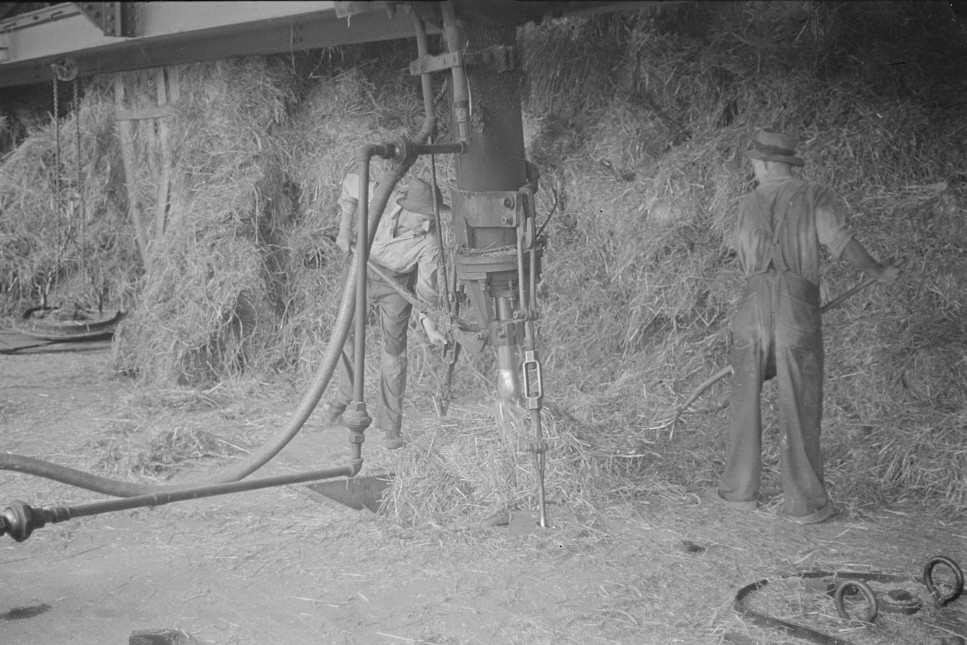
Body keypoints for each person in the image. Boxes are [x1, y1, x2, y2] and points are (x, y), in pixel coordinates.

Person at [712, 128, 899, 524]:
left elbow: (743, 255)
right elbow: (841, 242)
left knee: (744, 400)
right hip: (795, 305)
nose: (753, 169)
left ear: (765, 164)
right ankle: (804, 505)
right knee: (800, 402)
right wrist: (878, 270)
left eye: (754, 163)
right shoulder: (813, 194)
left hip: (750, 305)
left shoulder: (746, 204)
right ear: (788, 164)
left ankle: (738, 494)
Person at [323, 172, 448, 449]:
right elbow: (349, 182)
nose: (428, 225)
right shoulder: (381, 197)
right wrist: (345, 228)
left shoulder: (430, 243)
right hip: (361, 267)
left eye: (432, 218)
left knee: (394, 352)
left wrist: (431, 327)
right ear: (405, 208)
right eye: (424, 217)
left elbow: (427, 289)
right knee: (346, 334)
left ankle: (390, 425)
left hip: (396, 285)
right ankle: (344, 397)